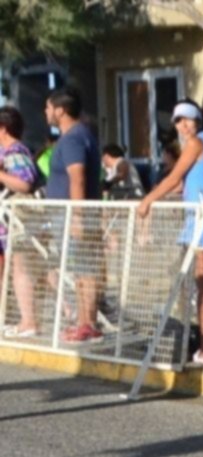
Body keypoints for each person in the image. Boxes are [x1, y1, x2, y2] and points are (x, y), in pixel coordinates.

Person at [137, 101, 203, 363]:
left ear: (198, 120)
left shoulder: (196, 143)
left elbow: (173, 178)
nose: (183, 125)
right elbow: (188, 181)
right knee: (202, 286)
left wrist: (147, 200)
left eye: (188, 119)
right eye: (178, 121)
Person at [40, 87, 104, 344]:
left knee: (85, 270)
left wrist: (78, 217)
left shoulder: (73, 139)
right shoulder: (77, 136)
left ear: (60, 110)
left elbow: (77, 178)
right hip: (69, 217)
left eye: (48, 107)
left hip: (75, 217)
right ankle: (83, 323)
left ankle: (88, 324)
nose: (45, 112)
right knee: (80, 270)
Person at [0, 105, 42, 338]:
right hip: (10, 223)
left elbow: (25, 183)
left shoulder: (14, 152)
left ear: (3, 129)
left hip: (18, 222)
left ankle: (29, 322)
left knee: (22, 270)